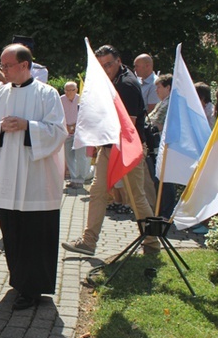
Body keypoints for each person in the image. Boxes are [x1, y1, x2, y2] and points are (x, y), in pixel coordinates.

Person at [0, 43, 67, 310]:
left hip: (36, 179)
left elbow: (58, 132)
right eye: (3, 65)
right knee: (12, 233)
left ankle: (34, 288)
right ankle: (19, 281)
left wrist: (27, 126)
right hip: (6, 178)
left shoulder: (47, 95)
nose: (2, 70)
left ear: (25, 65)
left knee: (35, 235)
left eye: (7, 65)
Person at [62, 44, 160, 257]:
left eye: (108, 64)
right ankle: (88, 242)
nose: (105, 69)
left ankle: (152, 243)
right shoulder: (110, 81)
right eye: (101, 65)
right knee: (97, 191)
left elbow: (128, 127)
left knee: (137, 197)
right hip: (109, 147)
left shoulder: (127, 85)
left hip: (128, 150)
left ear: (118, 60)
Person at [147, 74, 176, 217]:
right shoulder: (162, 102)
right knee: (158, 179)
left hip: (165, 146)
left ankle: (166, 212)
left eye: (159, 87)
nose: (156, 90)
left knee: (165, 180)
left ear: (168, 87)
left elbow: (156, 123)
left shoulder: (170, 103)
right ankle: (160, 210)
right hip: (156, 146)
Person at [60, 81, 91, 189]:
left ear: (76, 90)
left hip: (80, 133)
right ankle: (73, 179)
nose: (68, 92)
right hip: (67, 132)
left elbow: (87, 116)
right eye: (66, 90)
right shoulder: (61, 100)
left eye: (71, 90)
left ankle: (80, 180)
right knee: (69, 157)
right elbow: (58, 115)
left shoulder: (82, 100)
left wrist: (73, 126)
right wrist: (66, 127)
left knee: (80, 157)